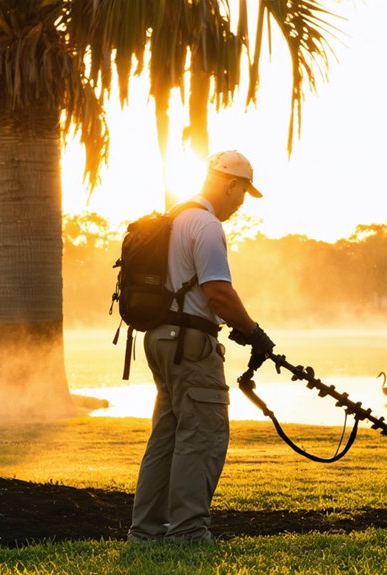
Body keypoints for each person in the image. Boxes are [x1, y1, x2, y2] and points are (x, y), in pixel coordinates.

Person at [128, 150, 275, 544]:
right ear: (231, 185)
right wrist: (254, 332)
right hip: (190, 346)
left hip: (160, 339)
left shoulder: (175, 216)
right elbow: (218, 293)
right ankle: (189, 532)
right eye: (242, 194)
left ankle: (146, 532)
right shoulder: (206, 225)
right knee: (203, 434)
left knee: (167, 435)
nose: (240, 204)